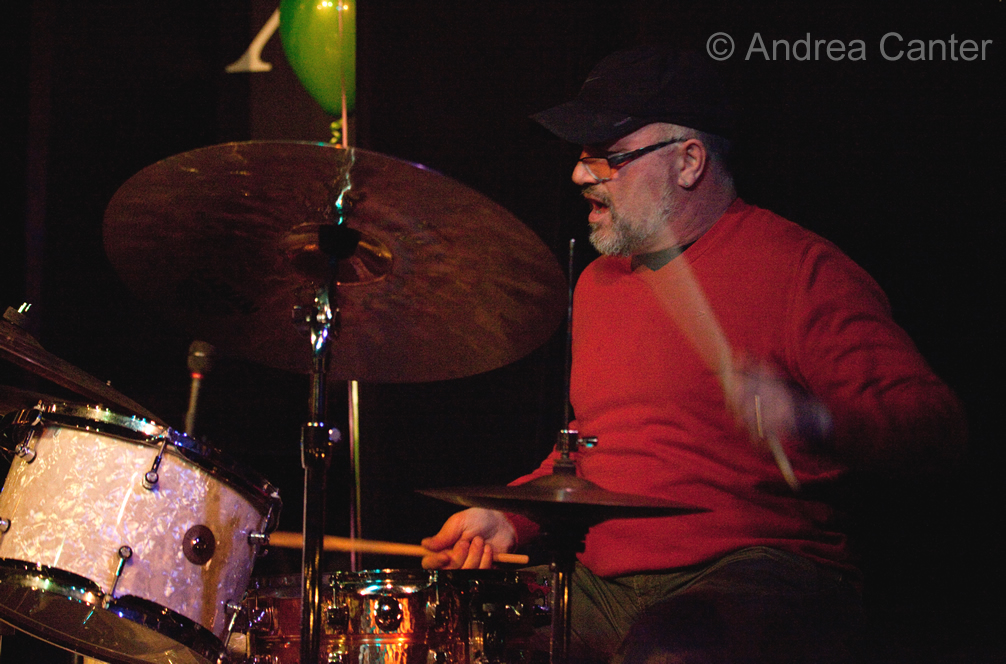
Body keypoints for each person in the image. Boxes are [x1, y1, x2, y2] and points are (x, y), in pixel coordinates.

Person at [421, 45, 966, 663]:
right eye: (581, 154)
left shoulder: (801, 270)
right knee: (459, 635)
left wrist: (815, 418)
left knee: (674, 649)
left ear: (688, 161)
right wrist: (510, 518)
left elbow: (937, 427)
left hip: (756, 572)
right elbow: (595, 450)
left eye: (608, 156)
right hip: (603, 584)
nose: (580, 175)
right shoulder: (599, 283)